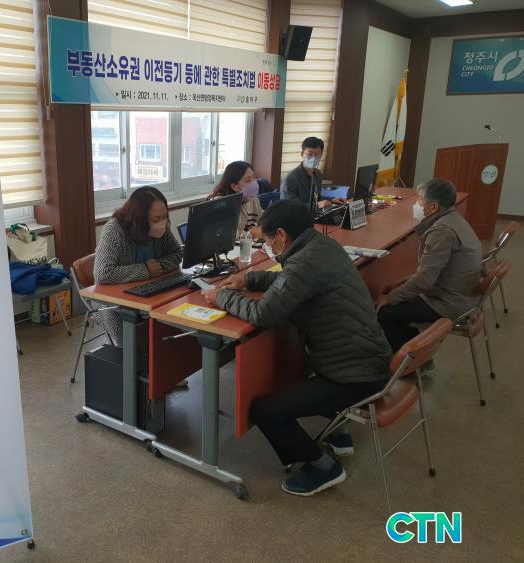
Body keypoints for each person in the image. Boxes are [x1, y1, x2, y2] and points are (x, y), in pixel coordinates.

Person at [200, 199, 392, 496]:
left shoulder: (304, 262)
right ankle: (339, 434)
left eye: (266, 240)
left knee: (264, 410)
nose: (267, 246)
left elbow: (264, 313)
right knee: (294, 374)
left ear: (281, 235)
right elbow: (289, 281)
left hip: (354, 376)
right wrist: (248, 279)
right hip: (368, 359)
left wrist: (221, 297)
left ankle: (323, 468)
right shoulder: (321, 246)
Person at [378, 179, 482, 353]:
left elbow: (424, 280)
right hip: (459, 295)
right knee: (400, 301)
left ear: (434, 207)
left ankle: (408, 363)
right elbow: (432, 272)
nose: (417, 205)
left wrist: (390, 298)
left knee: (386, 312)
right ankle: (416, 356)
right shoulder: (453, 219)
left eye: (420, 200)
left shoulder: (441, 231)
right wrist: (402, 282)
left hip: (448, 303)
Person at [93, 186, 183, 346]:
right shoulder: (114, 230)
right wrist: (145, 270)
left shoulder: (161, 230)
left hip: (151, 293)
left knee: (172, 329)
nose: (162, 223)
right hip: (117, 305)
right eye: (156, 219)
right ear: (139, 219)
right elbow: (102, 273)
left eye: (165, 217)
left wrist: (158, 266)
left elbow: (177, 253)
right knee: (133, 346)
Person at [281, 137, 344, 212]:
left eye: (317, 155)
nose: (313, 158)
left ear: (321, 155)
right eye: (310, 154)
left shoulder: (318, 174)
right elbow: (290, 208)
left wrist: (332, 200)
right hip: (296, 217)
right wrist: (317, 205)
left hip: (315, 215)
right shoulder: (290, 178)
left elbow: (316, 198)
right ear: (302, 154)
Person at [208, 161, 263, 239]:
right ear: (234, 186)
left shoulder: (253, 199)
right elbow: (220, 233)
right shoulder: (220, 204)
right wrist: (251, 233)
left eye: (253, 178)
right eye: (248, 180)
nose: (253, 183)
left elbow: (263, 222)